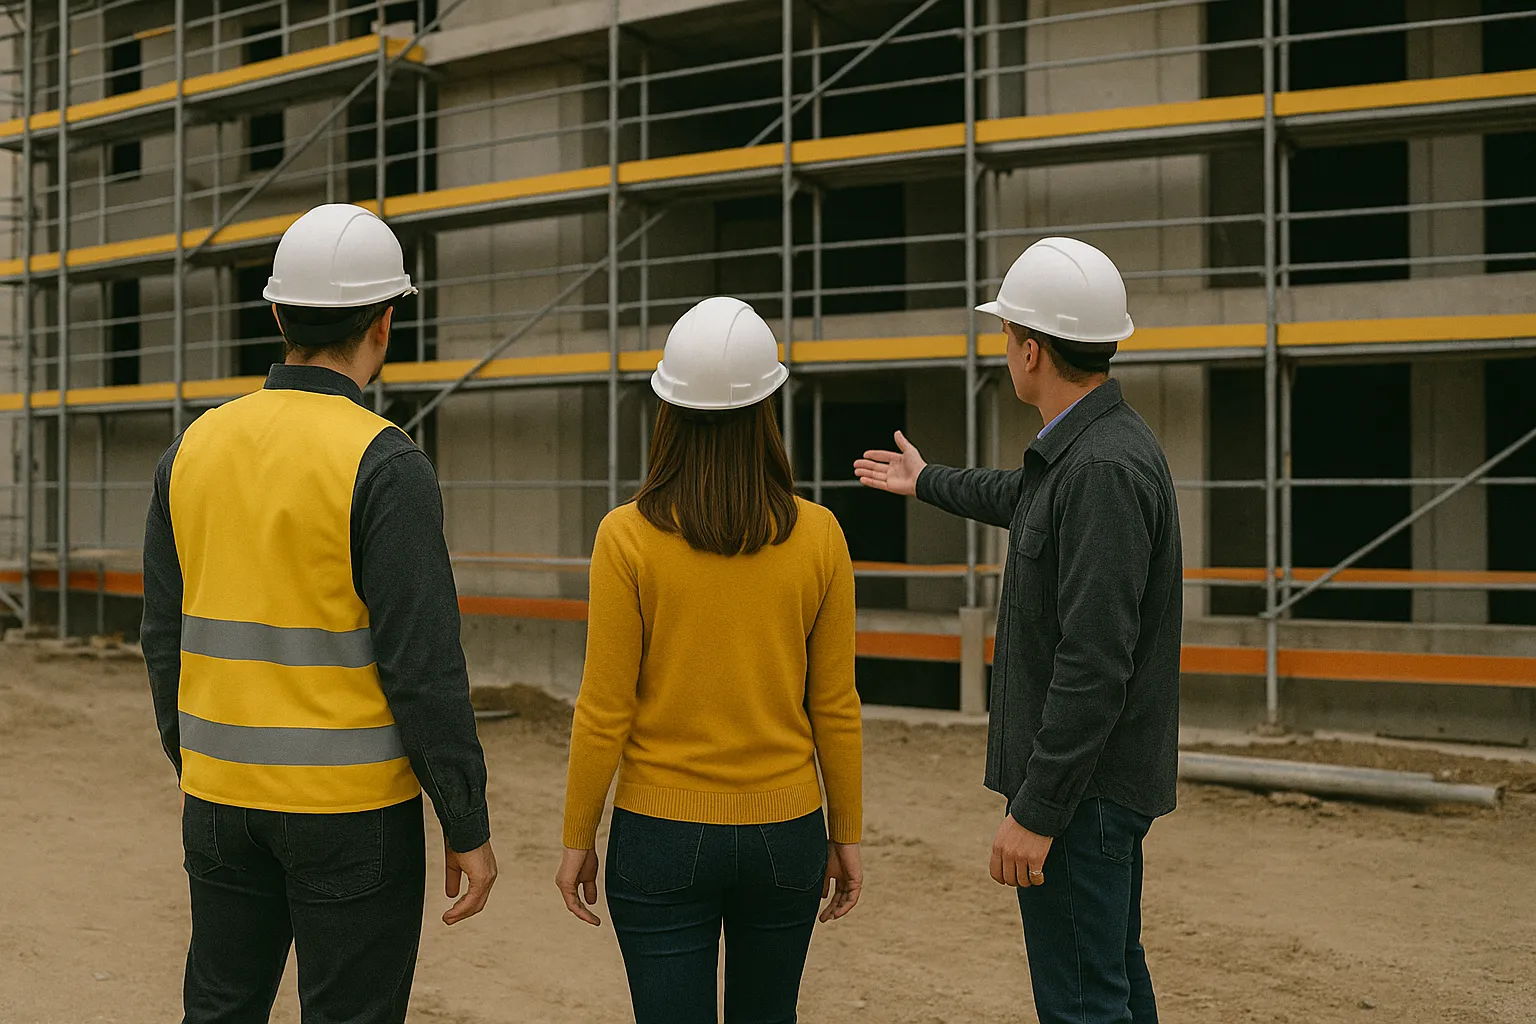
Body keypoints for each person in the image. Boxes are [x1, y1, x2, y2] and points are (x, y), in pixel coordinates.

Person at [141, 204, 498, 1024]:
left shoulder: (191, 449)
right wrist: (465, 822)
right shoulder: (386, 463)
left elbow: (163, 635)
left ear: (276, 315)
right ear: (385, 321)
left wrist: (196, 760)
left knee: (221, 1008)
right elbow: (424, 666)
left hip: (220, 798)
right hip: (351, 814)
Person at [854, 237, 1181, 1024]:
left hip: (1082, 797)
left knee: (1081, 1003)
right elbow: (1020, 495)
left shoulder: (1100, 471)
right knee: (1108, 983)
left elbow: (1094, 663)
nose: (1003, 351)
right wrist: (926, 480)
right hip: (1093, 790)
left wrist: (1036, 813)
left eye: (1005, 336)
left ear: (1031, 349)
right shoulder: (1086, 454)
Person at [556, 295, 864, 1024]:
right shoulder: (820, 535)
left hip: (658, 837)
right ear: (768, 409)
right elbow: (835, 706)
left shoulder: (624, 538)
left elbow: (604, 708)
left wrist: (578, 838)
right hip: (785, 836)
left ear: (667, 408)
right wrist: (845, 833)